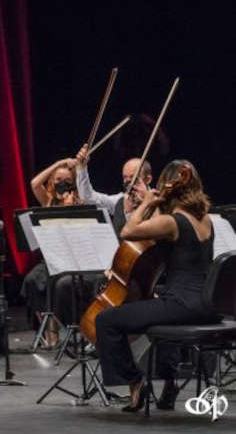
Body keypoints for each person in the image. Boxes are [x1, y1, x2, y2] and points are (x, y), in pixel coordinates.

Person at [96, 160, 216, 412]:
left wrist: (149, 202)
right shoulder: (205, 220)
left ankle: (135, 381)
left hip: (180, 304)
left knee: (106, 320)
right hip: (205, 304)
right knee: (156, 317)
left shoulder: (173, 222)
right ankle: (169, 381)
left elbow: (128, 231)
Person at [22, 158, 81, 347]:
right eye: (58, 180)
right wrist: (59, 164)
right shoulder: (48, 200)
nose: (62, 184)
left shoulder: (80, 201)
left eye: (67, 180)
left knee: (55, 282)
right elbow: (34, 183)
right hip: (49, 259)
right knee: (32, 280)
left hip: (71, 259)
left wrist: (71, 209)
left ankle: (54, 330)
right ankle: (47, 328)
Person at [75, 145, 152, 235]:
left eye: (133, 177)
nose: (128, 182)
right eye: (125, 177)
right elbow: (88, 197)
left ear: (147, 179)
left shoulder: (158, 202)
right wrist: (81, 168)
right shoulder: (120, 200)